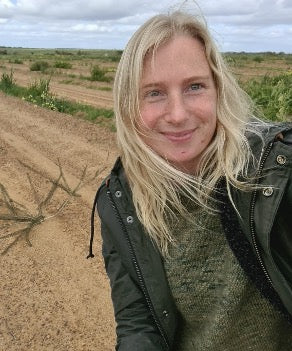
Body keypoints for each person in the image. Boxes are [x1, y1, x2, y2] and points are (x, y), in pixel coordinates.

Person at [87, 10, 292, 351]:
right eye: (154, 93)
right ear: (128, 106)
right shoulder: (122, 202)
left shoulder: (275, 170)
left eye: (194, 86)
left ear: (218, 90)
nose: (178, 114)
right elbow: (140, 324)